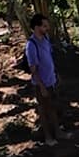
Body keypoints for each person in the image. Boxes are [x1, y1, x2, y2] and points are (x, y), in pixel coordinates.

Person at [22, 14, 62, 145]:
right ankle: (48, 137)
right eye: (44, 26)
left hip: (51, 80)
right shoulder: (31, 45)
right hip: (42, 84)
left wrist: (56, 74)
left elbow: (50, 58)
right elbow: (33, 70)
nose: (47, 28)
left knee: (53, 108)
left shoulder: (45, 39)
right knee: (44, 111)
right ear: (36, 27)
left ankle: (58, 133)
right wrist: (41, 86)